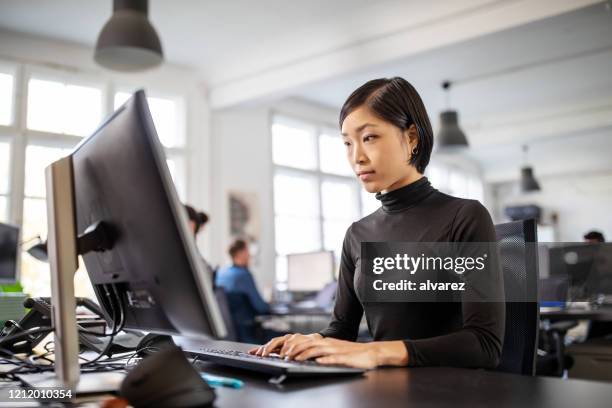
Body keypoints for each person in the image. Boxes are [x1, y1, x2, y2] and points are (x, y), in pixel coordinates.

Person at [250, 77, 505, 369]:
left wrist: (377, 351)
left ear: (411, 138)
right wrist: (309, 341)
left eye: (369, 137)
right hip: (383, 390)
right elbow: (342, 330)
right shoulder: (357, 234)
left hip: (450, 392)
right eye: (347, 143)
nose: (356, 157)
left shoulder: (464, 217)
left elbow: (484, 345)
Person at [216, 239, 270, 316]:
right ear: (240, 253)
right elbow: (261, 307)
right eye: (247, 251)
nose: (250, 255)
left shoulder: (221, 273)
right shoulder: (244, 275)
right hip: (244, 325)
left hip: (226, 324)